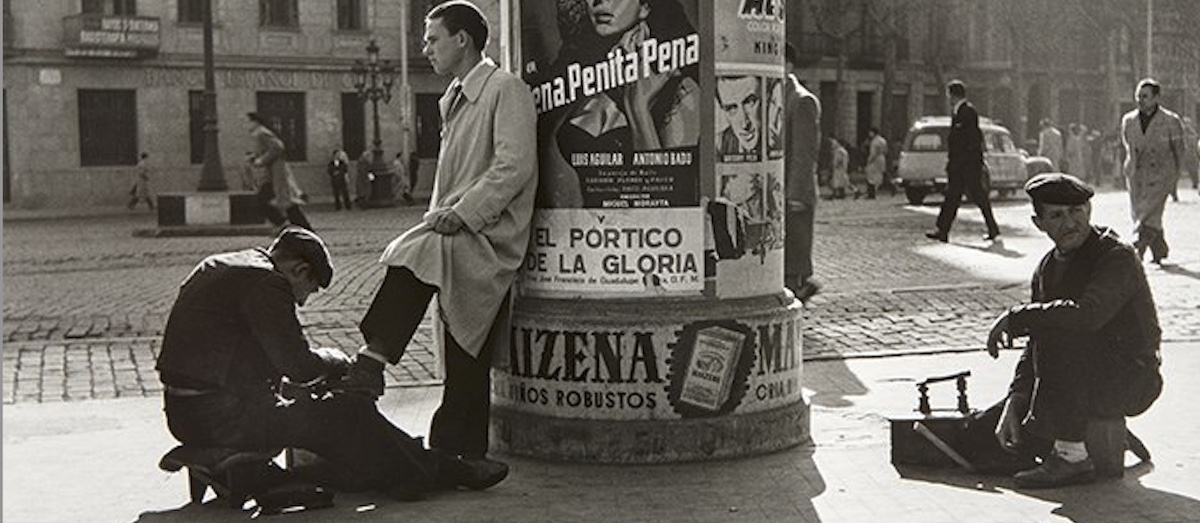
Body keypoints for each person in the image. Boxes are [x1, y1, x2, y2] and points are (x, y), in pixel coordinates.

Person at [341, 0, 538, 491]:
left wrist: (463, 213)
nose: (425, 48)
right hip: (458, 231)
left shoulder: (505, 89)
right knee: (463, 343)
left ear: (463, 40)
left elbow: (513, 167)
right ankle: (461, 454)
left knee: (417, 256)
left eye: (432, 39)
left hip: (488, 233)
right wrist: (449, 216)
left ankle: (373, 359)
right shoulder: (451, 97)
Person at [156, 227, 440, 503]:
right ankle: (424, 470)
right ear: (300, 270)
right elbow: (299, 367)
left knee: (332, 410)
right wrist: (337, 361)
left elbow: (262, 358)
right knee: (349, 411)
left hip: (184, 414)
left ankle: (420, 464)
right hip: (222, 420)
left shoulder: (226, 265)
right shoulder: (267, 281)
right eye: (309, 289)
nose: (302, 301)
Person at [985, 173, 1162, 488]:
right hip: (1083, 379)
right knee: (988, 435)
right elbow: (1035, 344)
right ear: (1039, 222)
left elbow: (1088, 316)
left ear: (1089, 210)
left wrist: (1017, 318)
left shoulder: (1116, 255)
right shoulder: (1046, 268)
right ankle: (1084, 436)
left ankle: (1071, 457)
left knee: (1062, 327)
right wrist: (1017, 397)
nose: (1069, 223)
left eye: (1076, 211)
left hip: (1133, 378)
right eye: (1056, 215)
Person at [1119, 78, 1197, 264]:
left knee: (1148, 214)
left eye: (1145, 96)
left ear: (1156, 98)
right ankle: (1159, 249)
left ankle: (1138, 248)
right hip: (1136, 175)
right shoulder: (1128, 120)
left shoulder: (1171, 120)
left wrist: (1176, 176)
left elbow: (1179, 149)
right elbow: (1127, 146)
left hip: (1161, 175)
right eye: (1138, 96)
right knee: (1141, 213)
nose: (1140, 100)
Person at [926, 80, 1001, 243]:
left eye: (949, 95)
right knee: (953, 196)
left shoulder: (968, 112)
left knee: (977, 196)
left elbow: (972, 140)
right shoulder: (959, 112)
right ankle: (942, 230)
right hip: (959, 165)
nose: (948, 99)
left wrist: (968, 162)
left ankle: (992, 229)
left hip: (967, 165)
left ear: (953, 95)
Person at [781, 43, 822, 303]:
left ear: (788, 65)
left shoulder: (801, 100)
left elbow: (804, 152)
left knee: (795, 254)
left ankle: (801, 289)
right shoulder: (778, 95)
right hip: (781, 190)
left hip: (795, 191)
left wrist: (795, 193)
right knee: (790, 254)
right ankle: (801, 288)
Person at [248, 112, 314, 231]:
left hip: (275, 174)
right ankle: (303, 230)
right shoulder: (259, 133)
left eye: (247, 121)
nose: (246, 125)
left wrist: (260, 160)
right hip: (271, 176)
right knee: (286, 204)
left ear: (255, 121)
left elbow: (277, 147)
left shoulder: (261, 133)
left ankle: (285, 226)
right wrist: (255, 157)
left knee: (264, 203)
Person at [717, 75, 762, 160]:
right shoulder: (718, 143)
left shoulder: (774, 136)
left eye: (750, 102)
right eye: (731, 108)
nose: (744, 124)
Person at [864, 127, 887, 199]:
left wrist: (869, 160)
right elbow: (886, 151)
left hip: (875, 160)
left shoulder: (875, 142)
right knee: (878, 176)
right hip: (882, 159)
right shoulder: (883, 140)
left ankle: (871, 194)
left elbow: (873, 153)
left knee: (871, 177)